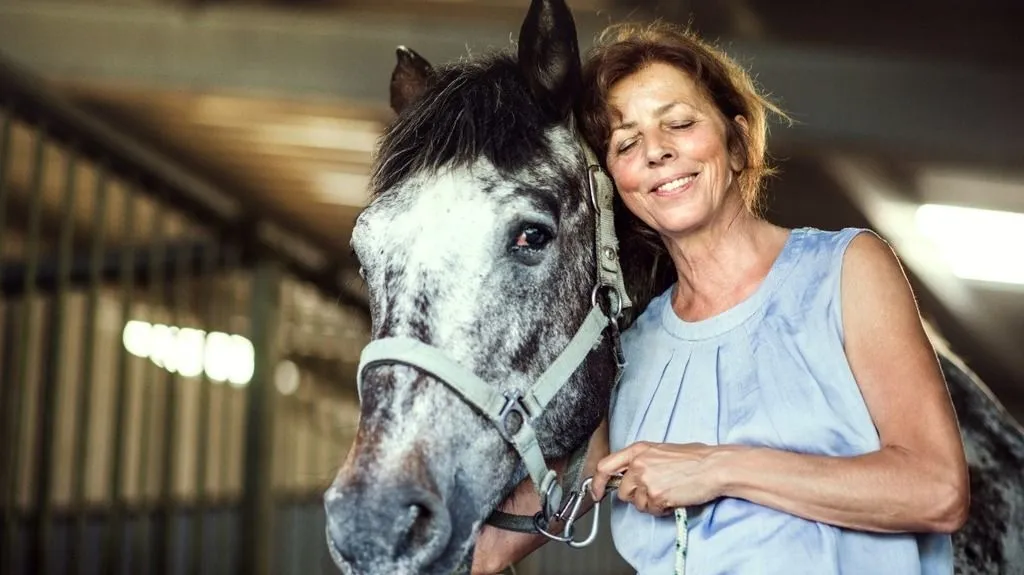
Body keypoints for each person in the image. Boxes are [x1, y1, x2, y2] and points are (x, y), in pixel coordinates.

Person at [472, 21, 970, 575]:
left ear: (737, 144)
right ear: (616, 185)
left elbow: (937, 490)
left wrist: (717, 469)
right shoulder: (624, 350)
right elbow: (516, 527)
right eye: (627, 143)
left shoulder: (846, 270)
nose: (657, 151)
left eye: (679, 124)